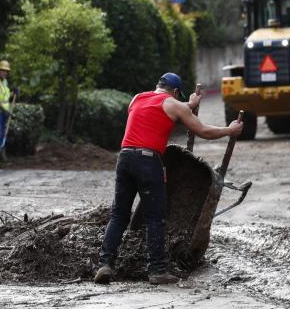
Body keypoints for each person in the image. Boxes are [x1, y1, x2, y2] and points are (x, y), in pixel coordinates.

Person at [94, 72, 244, 285]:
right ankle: (156, 270)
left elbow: (165, 109)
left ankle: (105, 264)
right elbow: (202, 130)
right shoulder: (175, 104)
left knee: (119, 214)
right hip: (148, 161)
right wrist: (230, 130)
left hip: (125, 158)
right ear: (175, 92)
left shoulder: (137, 98)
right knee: (155, 217)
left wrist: (189, 104)